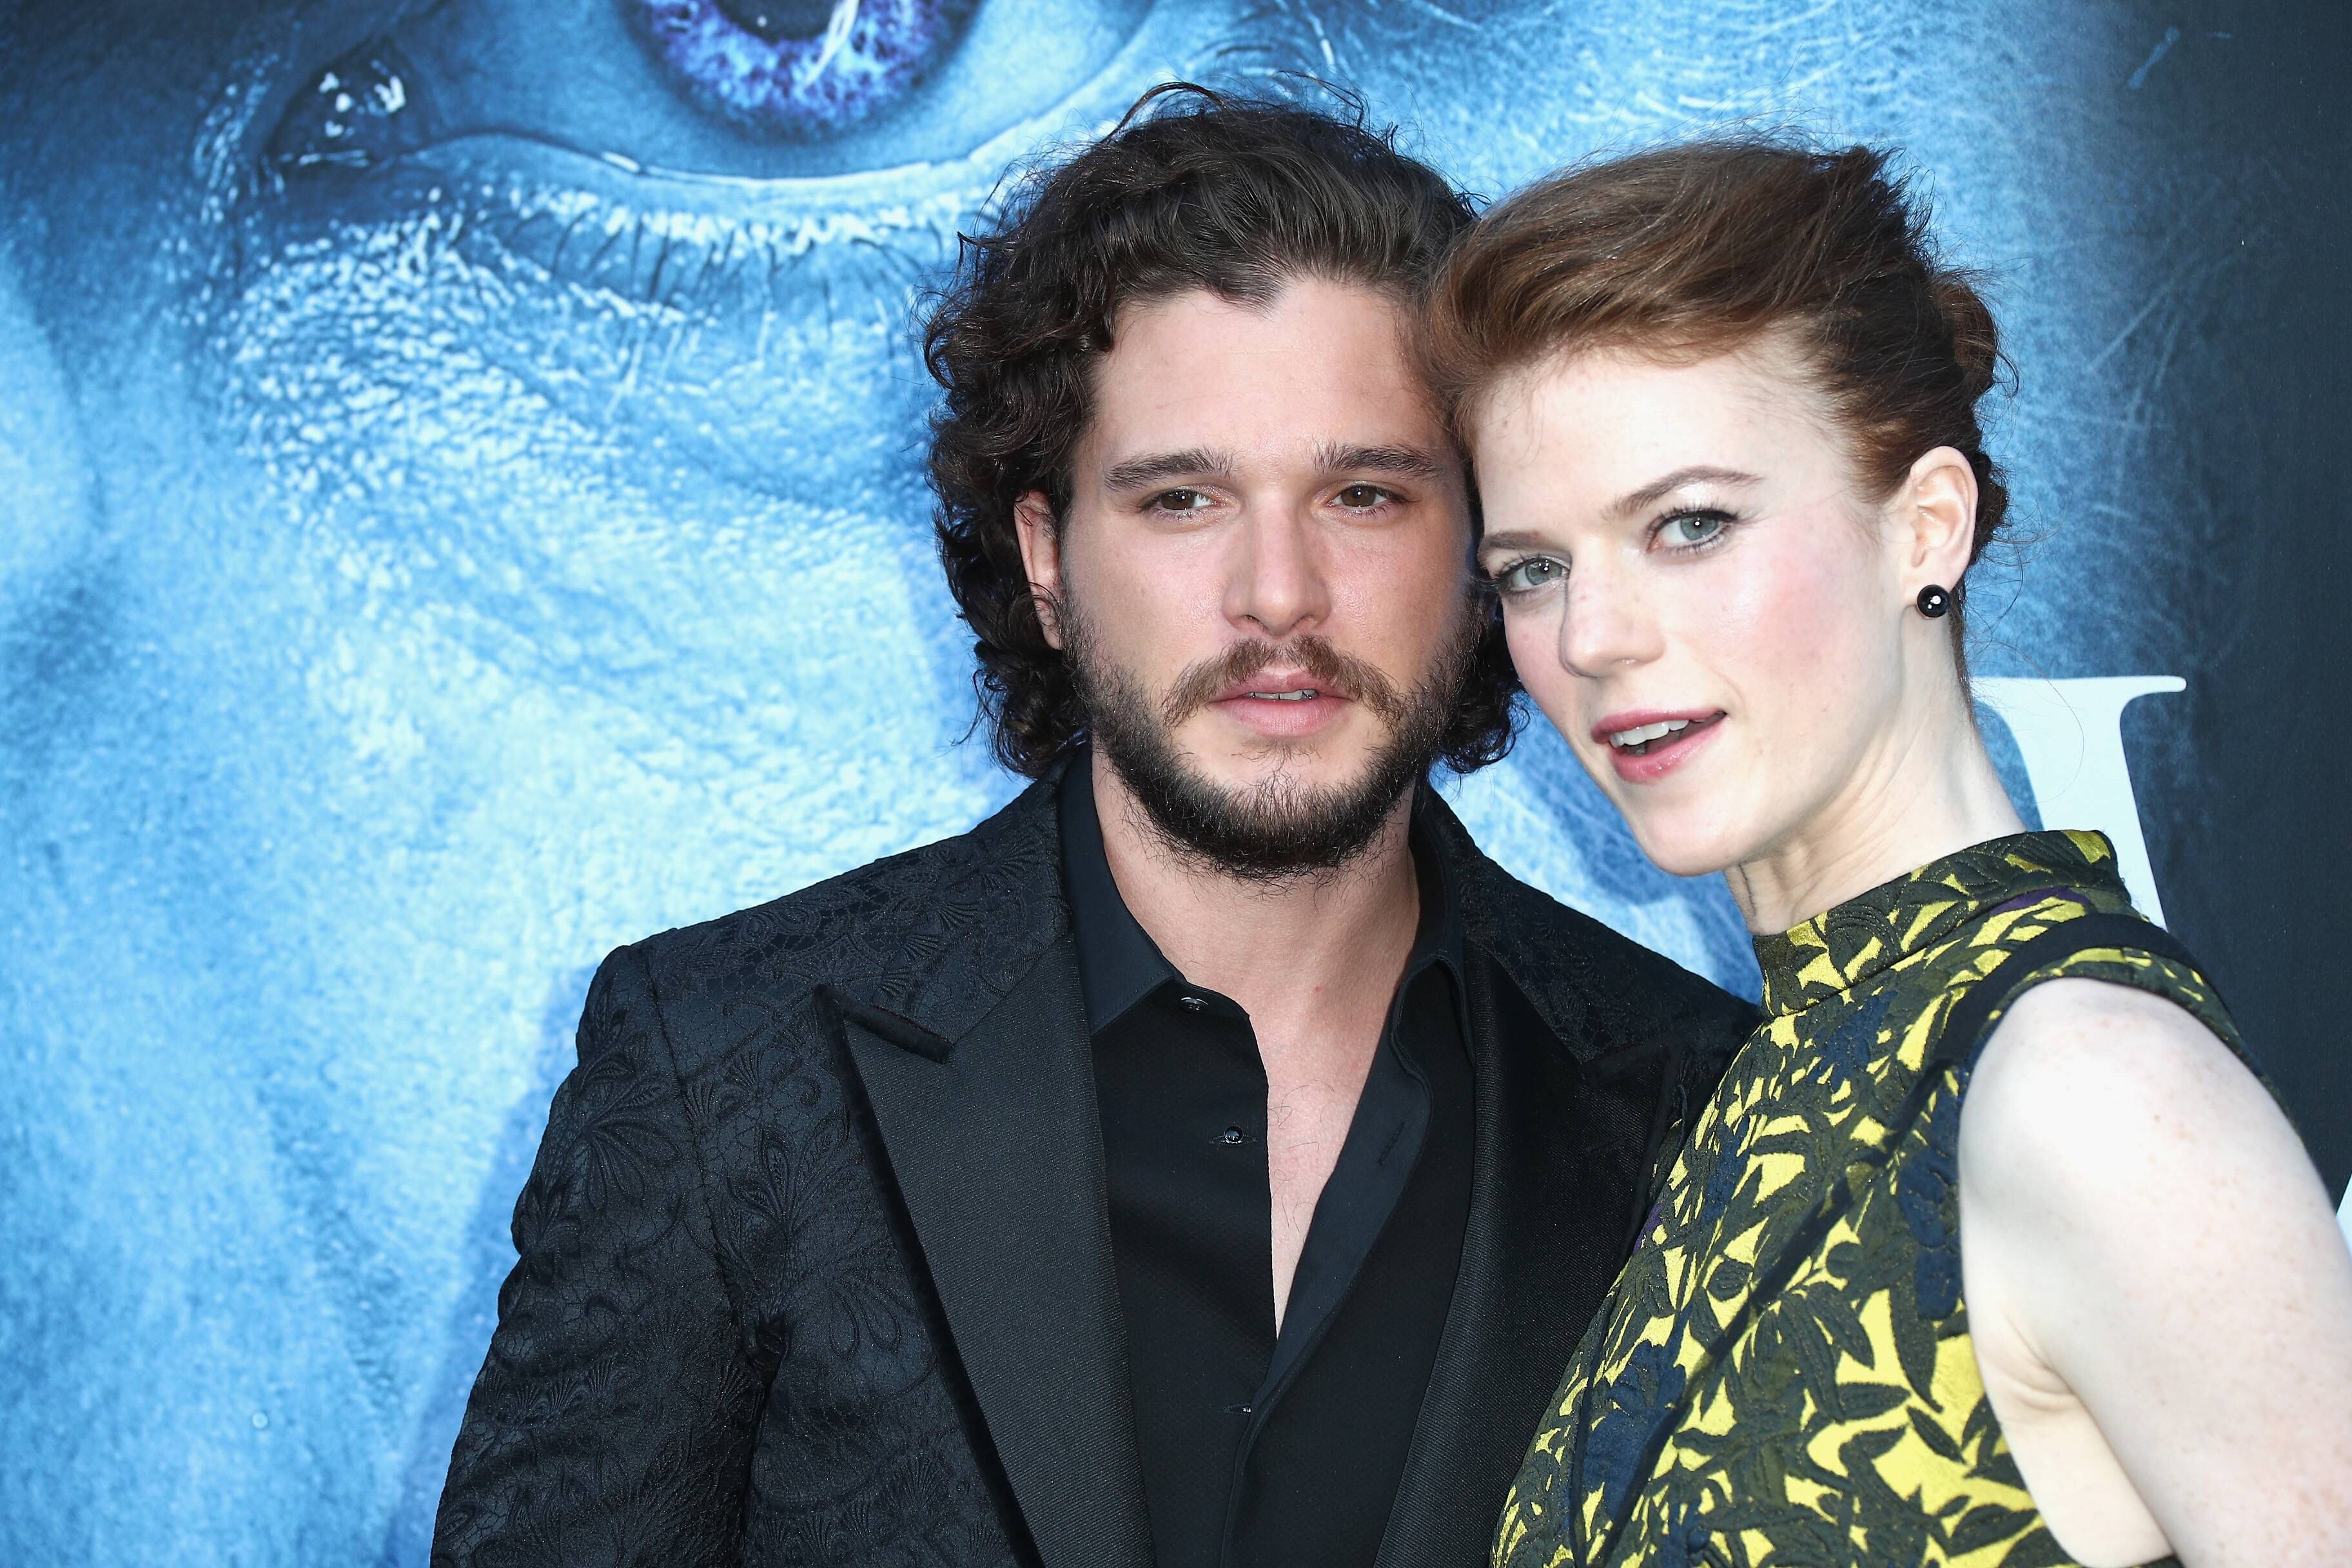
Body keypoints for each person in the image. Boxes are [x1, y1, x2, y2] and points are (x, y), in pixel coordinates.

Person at [429, 88, 1756, 1568]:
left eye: (1365, 494)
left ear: (1482, 553)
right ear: (1048, 560)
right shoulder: (723, 1066)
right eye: (1182, 499)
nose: (1278, 594)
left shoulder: (1708, 1109)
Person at [1418, 135, 2352, 1567]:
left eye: (1689, 525)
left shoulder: (2089, 1093)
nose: (1591, 637)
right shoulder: (1783, 1075)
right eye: (1534, 570)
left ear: (1926, 526)